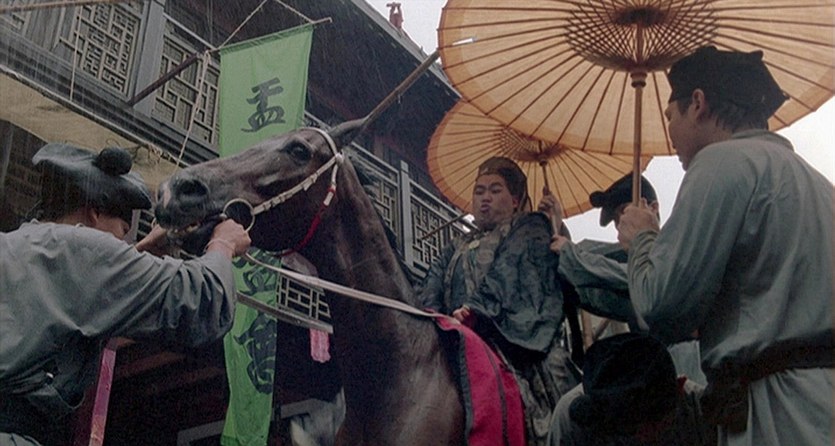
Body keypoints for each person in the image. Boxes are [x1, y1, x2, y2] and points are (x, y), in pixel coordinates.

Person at [617, 46, 833, 446]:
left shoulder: (721, 163)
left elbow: (662, 307)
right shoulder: (819, 184)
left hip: (776, 412)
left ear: (698, 103)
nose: (670, 133)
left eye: (670, 116)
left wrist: (642, 239)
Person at [0, 143, 251, 445]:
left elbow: (85, 291)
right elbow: (202, 301)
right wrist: (223, 243)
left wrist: (144, 252)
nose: (122, 243)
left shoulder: (15, 245)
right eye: (122, 231)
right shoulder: (85, 248)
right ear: (94, 212)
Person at [417, 156, 579, 446]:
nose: (485, 198)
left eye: (495, 190)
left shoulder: (529, 226)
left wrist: (476, 310)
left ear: (515, 200)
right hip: (456, 336)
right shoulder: (455, 245)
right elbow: (432, 284)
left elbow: (510, 270)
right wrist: (431, 318)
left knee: (559, 398)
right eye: (479, 191)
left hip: (512, 339)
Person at [561, 333, 713, 446]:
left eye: (654, 424)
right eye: (631, 429)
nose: (644, 437)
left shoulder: (704, 413)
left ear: (679, 386)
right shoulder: (572, 424)